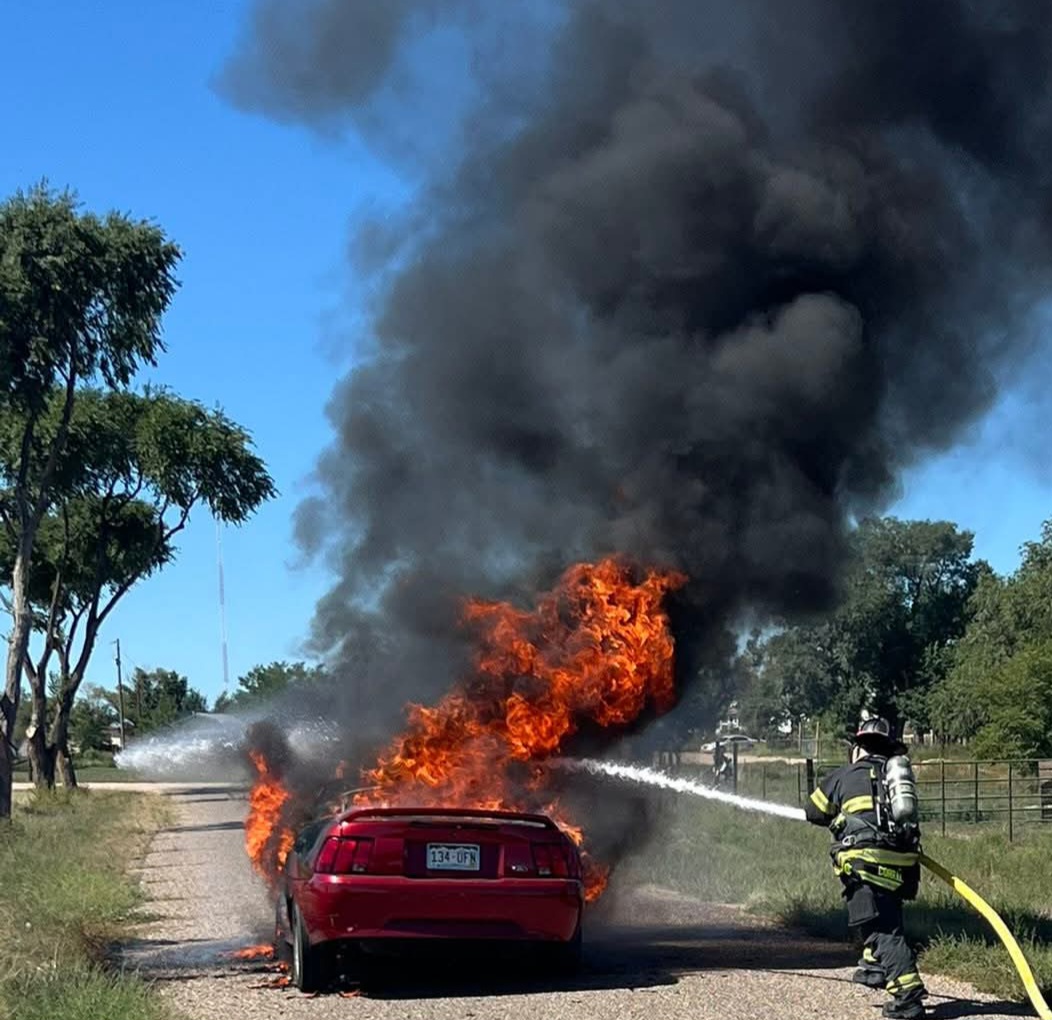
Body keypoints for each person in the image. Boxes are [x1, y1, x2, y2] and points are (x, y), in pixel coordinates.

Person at [804, 717, 926, 1019]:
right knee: (888, 915)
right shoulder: (894, 776)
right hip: (903, 863)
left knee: (881, 928)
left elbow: (813, 811)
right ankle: (874, 967)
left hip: (867, 861)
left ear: (858, 747)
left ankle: (908, 995)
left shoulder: (845, 774)